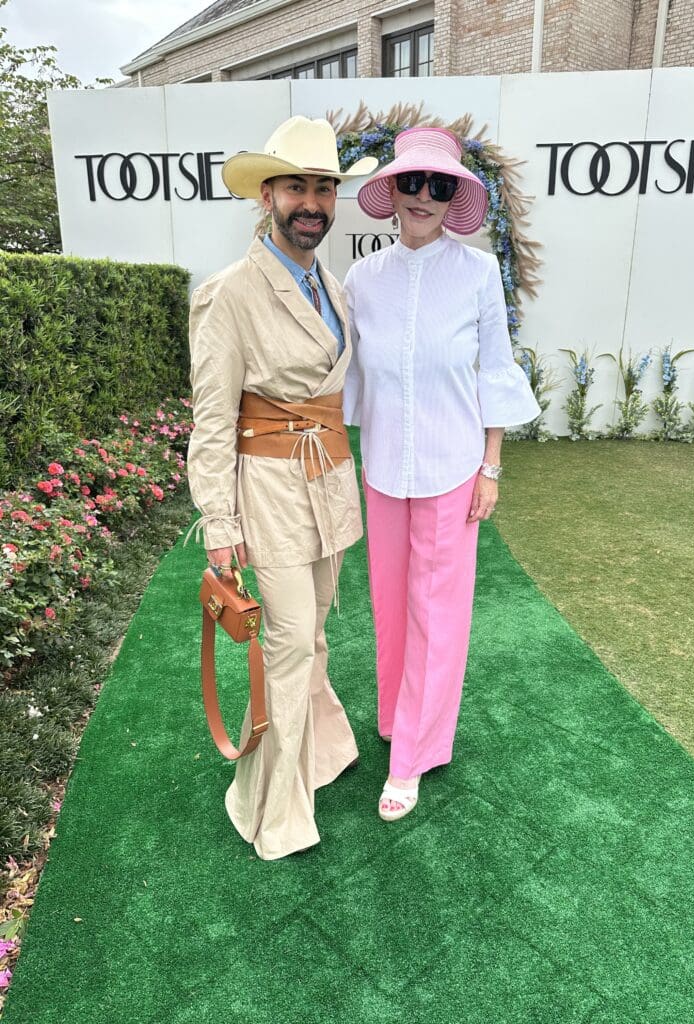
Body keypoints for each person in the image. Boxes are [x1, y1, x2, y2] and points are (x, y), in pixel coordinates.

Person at [186, 115, 377, 860]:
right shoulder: (229, 293)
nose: (313, 202)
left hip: (329, 477)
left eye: (324, 187)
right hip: (265, 485)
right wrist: (219, 519)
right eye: (296, 185)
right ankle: (270, 809)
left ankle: (315, 755)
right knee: (291, 641)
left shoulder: (333, 284)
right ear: (267, 195)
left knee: (315, 633)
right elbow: (212, 416)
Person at [343, 126, 540, 821]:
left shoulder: (479, 273)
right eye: (411, 182)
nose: (423, 196)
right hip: (382, 470)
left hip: (454, 467)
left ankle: (413, 758)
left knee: (438, 612)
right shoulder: (363, 280)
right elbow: (348, 375)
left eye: (439, 185)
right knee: (390, 605)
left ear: (453, 194)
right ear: (391, 190)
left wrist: (492, 466)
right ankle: (401, 717)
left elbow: (494, 372)